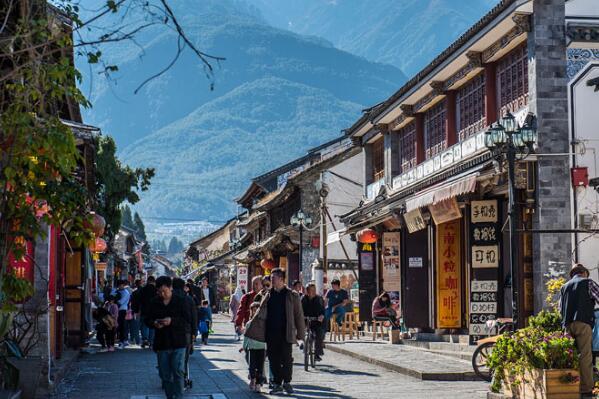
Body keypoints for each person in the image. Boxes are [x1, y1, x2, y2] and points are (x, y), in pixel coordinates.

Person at [244, 268, 305, 395]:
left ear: (281, 279)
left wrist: (300, 335)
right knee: (273, 359)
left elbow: (298, 315)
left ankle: (287, 382)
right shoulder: (268, 294)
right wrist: (251, 328)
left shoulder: (291, 295)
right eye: (271, 278)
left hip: (286, 332)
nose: (271, 280)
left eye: (274, 278)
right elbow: (260, 312)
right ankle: (277, 384)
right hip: (271, 333)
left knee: (287, 358)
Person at [145, 276, 192, 399]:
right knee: (164, 375)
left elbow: (187, 320)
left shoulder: (181, 301)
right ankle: (170, 396)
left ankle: (179, 397)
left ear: (170, 288)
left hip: (178, 342)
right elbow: (147, 320)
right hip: (162, 343)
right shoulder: (154, 302)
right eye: (159, 292)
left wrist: (172, 321)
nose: (162, 294)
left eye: (164, 291)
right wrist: (154, 323)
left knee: (178, 372)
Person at [560, 264, 599, 398]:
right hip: (583, 322)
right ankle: (586, 389)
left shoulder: (564, 287)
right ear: (583, 273)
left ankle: (568, 386)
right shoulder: (588, 282)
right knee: (585, 356)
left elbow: (561, 309)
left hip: (567, 325)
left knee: (568, 356)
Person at [241, 301, 266, 393]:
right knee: (252, 366)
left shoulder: (264, 323)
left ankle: (258, 384)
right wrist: (244, 347)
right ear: (251, 312)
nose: (255, 312)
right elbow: (246, 336)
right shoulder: (249, 323)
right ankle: (253, 379)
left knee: (260, 366)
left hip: (262, 347)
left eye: (257, 310)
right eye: (253, 310)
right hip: (252, 348)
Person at [301, 283, 325, 361]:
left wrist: (321, 316)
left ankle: (317, 354)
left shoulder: (319, 299)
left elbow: (322, 310)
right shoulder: (303, 299)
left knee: (319, 333)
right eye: (311, 290)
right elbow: (299, 310)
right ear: (307, 292)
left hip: (316, 320)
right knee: (301, 330)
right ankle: (302, 342)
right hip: (305, 320)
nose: (314, 292)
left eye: (314, 290)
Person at [173, 278, 198, 352]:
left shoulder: (168, 298)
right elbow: (194, 316)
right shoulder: (189, 299)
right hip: (186, 330)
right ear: (183, 286)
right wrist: (194, 331)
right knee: (184, 355)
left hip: (171, 330)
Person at [140, 276, 157, 348]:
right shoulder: (156, 290)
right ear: (154, 281)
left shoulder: (143, 289)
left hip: (144, 310)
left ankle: (145, 339)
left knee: (144, 325)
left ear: (148, 281)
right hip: (154, 311)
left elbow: (140, 300)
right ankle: (151, 342)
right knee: (153, 326)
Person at [116, 279, 131, 348]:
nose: (119, 286)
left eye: (121, 285)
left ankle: (122, 341)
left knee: (122, 326)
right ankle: (120, 340)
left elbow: (120, 302)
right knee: (117, 326)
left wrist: (114, 301)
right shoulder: (116, 291)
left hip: (122, 310)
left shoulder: (126, 293)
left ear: (123, 285)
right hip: (115, 310)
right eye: (118, 285)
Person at [129, 279, 143, 346]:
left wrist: (133, 310)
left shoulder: (134, 292)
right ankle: (146, 340)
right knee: (145, 326)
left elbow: (131, 302)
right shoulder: (144, 291)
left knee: (136, 327)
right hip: (144, 311)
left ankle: (137, 341)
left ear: (135, 284)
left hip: (136, 311)